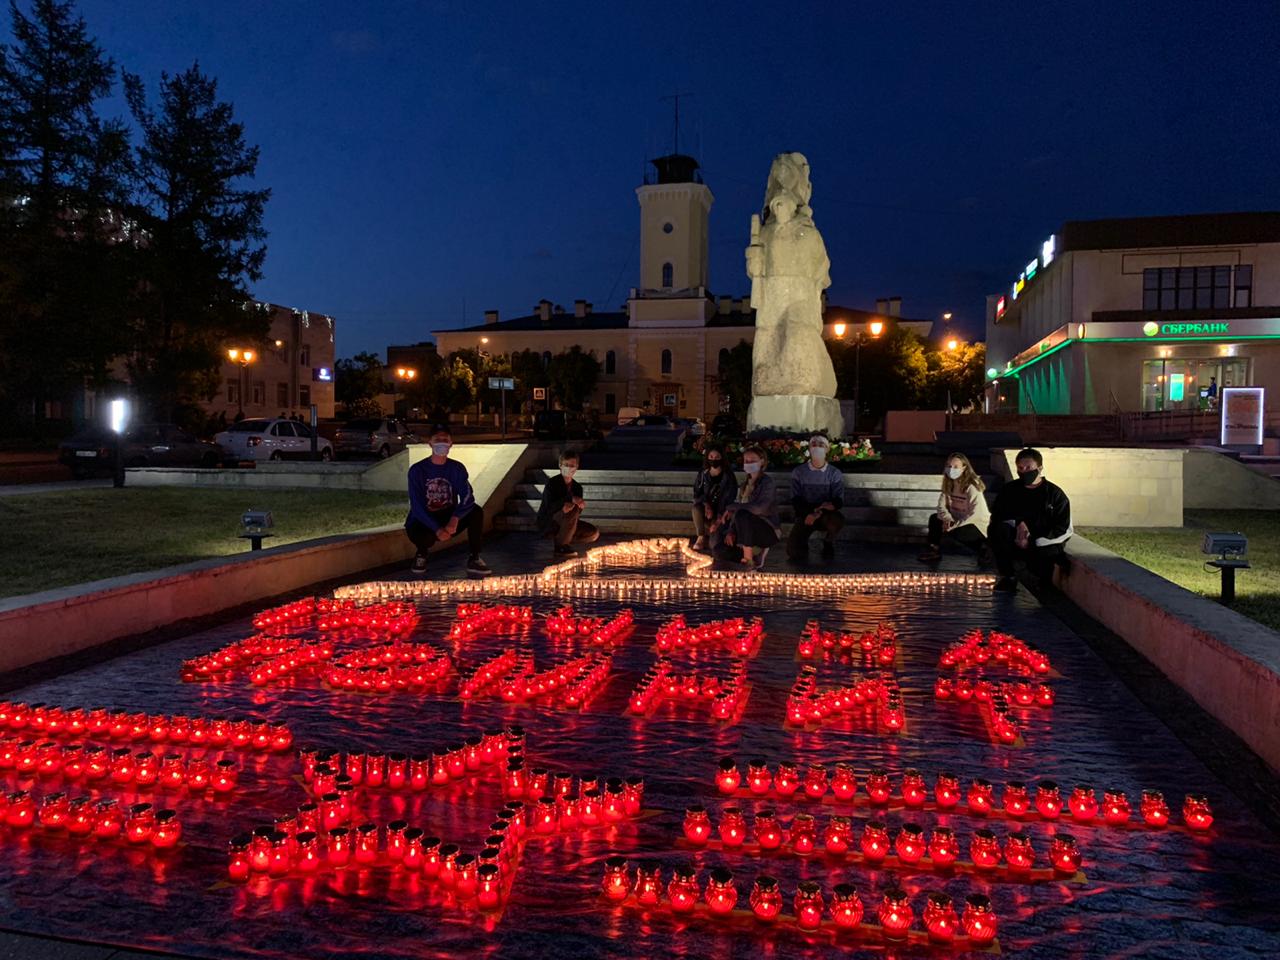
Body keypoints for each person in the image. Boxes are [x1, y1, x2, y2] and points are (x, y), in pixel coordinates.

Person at [404, 424, 491, 577]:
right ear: (430, 443)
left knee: (476, 512)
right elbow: (417, 506)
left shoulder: (456, 468)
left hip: (448, 516)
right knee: (423, 536)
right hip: (424, 520)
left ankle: (475, 557)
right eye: (437, 439)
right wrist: (437, 529)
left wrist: (455, 518)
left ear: (451, 443)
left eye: (445, 439)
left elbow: (467, 497)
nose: (441, 442)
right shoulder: (418, 470)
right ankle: (421, 554)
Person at [987, 448, 1072, 593]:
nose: (1024, 471)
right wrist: (1018, 526)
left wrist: (1032, 538)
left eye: (1028, 468)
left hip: (1041, 541)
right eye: (1020, 468)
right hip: (1014, 540)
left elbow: (1062, 527)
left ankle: (1044, 583)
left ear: (1039, 468)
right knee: (997, 531)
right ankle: (1008, 577)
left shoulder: (1054, 494)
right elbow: (998, 516)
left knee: (1046, 557)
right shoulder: (1010, 490)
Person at [714, 444, 781, 570]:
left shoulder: (767, 483)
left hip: (766, 530)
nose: (749, 463)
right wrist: (731, 530)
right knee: (719, 550)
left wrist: (732, 507)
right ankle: (754, 555)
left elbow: (758, 508)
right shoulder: (744, 485)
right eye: (746, 461)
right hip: (745, 531)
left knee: (743, 513)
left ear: (762, 462)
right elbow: (738, 509)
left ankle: (748, 560)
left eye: (753, 461)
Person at [918, 452, 990, 563]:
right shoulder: (949, 484)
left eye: (956, 467)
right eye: (949, 466)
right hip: (956, 520)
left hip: (976, 524)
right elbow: (941, 507)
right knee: (934, 519)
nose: (951, 469)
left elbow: (976, 514)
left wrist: (955, 525)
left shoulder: (972, 486)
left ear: (964, 468)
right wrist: (948, 520)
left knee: (958, 532)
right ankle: (933, 550)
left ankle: (984, 549)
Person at [786, 434, 845, 563]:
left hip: (826, 514)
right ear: (809, 448)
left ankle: (828, 541)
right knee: (793, 551)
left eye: (821, 444)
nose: (817, 447)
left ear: (827, 449)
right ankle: (803, 541)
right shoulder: (799, 472)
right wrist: (809, 513)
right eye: (814, 444)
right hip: (806, 514)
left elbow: (838, 500)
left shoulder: (834, 473)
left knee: (836, 521)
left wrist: (819, 511)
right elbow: (796, 499)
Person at [536, 449, 599, 556]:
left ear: (576, 467)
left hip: (568, 523)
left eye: (572, 465)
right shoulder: (553, 483)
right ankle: (561, 546)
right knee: (570, 508)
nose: (569, 468)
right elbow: (548, 507)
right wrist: (564, 504)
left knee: (593, 533)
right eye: (566, 465)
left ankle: (563, 538)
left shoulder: (577, 487)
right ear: (560, 465)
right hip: (550, 520)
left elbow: (576, 514)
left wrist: (580, 506)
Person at [691, 443, 737, 551]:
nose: (714, 459)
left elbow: (730, 498)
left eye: (717, 457)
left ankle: (715, 533)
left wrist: (718, 519)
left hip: (721, 513)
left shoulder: (728, 476)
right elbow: (697, 493)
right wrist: (706, 505)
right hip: (707, 512)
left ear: (722, 458)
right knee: (696, 508)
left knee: (714, 545)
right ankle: (701, 536)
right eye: (711, 457)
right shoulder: (703, 473)